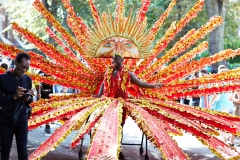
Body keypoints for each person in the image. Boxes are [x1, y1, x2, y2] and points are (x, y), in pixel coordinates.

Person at [96, 53, 162, 159]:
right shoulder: (108, 72)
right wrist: (99, 95)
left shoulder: (128, 74)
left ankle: (117, 148)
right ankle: (107, 148)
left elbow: (140, 83)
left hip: (121, 103)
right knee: (107, 124)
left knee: (119, 126)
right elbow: (104, 83)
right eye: (112, 59)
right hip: (108, 102)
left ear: (122, 60)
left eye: (116, 59)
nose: (113, 61)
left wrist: (154, 85)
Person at [0, 53, 33, 160]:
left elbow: (30, 99)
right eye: (22, 66)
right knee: (4, 151)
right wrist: (13, 96)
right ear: (15, 62)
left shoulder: (27, 79)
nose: (24, 70)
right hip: (5, 120)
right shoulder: (2, 78)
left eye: (26, 68)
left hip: (22, 120)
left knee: (23, 151)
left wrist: (27, 99)